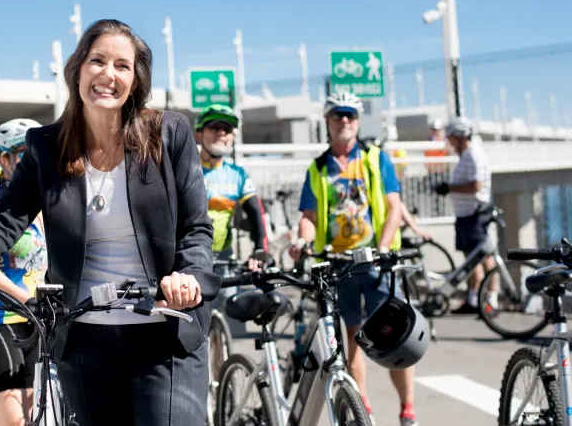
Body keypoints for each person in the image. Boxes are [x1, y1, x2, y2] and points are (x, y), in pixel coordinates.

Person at [0, 18, 219, 426]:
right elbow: (4, 219)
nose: (108, 74)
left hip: (164, 327)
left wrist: (188, 275)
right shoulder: (46, 147)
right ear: (77, 69)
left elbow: (195, 227)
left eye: (122, 65)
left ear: (135, 80)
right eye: (97, 60)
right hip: (85, 336)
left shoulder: (169, 134)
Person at [289, 92, 418, 426]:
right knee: (352, 336)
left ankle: (407, 410)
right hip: (338, 264)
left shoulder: (376, 158)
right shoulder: (318, 167)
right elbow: (309, 214)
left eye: (349, 115)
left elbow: (393, 207)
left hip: (377, 264)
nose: (344, 121)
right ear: (327, 122)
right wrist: (302, 240)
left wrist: (382, 247)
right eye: (337, 115)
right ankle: (364, 411)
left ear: (358, 121)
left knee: (395, 337)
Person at [0, 118, 48, 426]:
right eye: (23, 153)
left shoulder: (40, 204)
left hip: (35, 321)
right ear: (4, 159)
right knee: (16, 422)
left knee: (35, 419)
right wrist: (24, 296)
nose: (33, 161)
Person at [193, 104, 268, 339]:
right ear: (199, 133)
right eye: (214, 127)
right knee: (194, 331)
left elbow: (256, 213)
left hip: (224, 260)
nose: (221, 133)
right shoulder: (185, 168)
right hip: (191, 259)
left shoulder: (238, 175)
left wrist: (259, 250)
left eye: (226, 129)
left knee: (223, 329)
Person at [434, 117, 497, 315]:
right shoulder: (467, 155)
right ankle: (473, 299)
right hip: (466, 216)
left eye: (452, 138)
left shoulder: (474, 155)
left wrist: (449, 187)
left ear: (461, 137)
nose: (450, 143)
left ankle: (491, 301)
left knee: (485, 257)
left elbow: (475, 186)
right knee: (471, 259)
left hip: (474, 215)